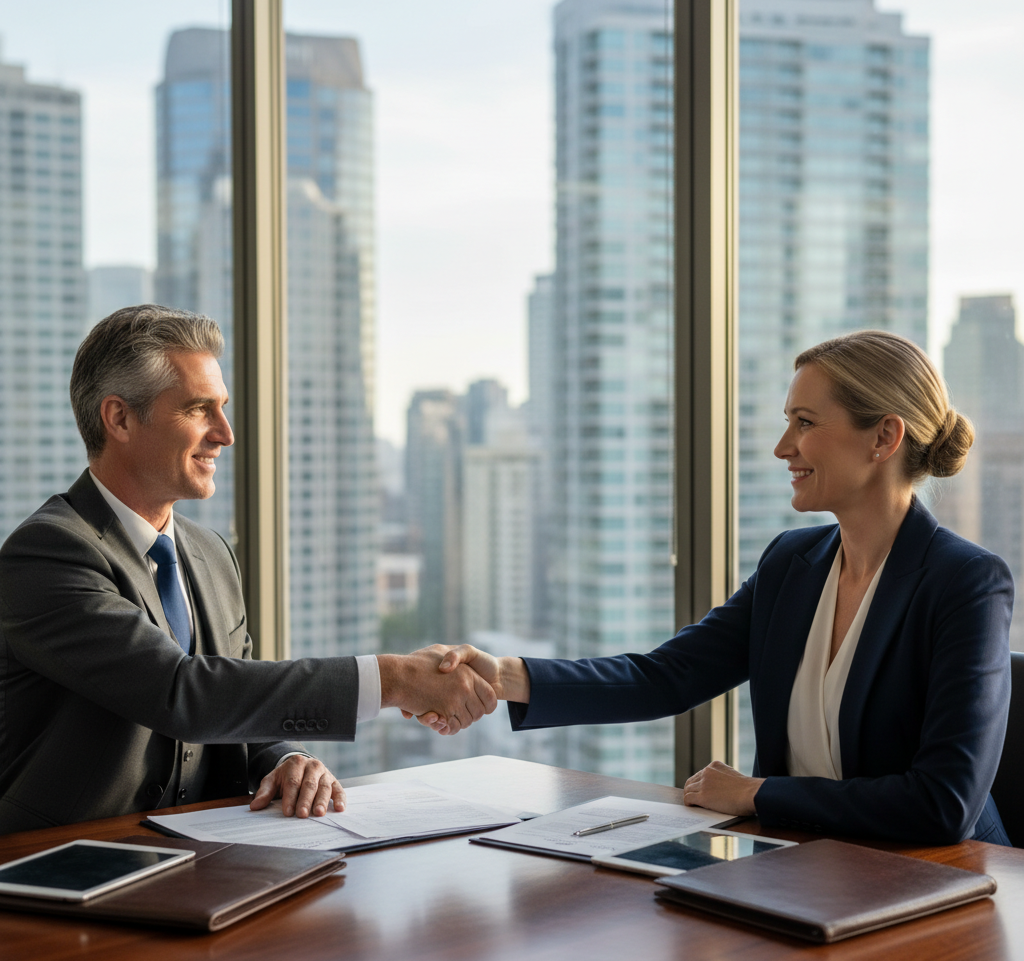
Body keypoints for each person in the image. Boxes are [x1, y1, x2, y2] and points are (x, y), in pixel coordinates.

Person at [430, 331, 1014, 845]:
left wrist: (756, 794)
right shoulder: (792, 563)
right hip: (811, 867)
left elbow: (943, 805)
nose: (783, 447)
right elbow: (664, 677)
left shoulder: (966, 584)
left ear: (883, 437)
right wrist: (502, 676)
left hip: (945, 883)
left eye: (804, 423)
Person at [0, 305, 494, 836]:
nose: (225, 434)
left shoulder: (212, 552)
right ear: (119, 418)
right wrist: (393, 680)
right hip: (55, 869)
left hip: (202, 862)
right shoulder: (46, 554)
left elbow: (237, 703)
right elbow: (183, 694)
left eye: (224, 408)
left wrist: (282, 760)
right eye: (198, 409)